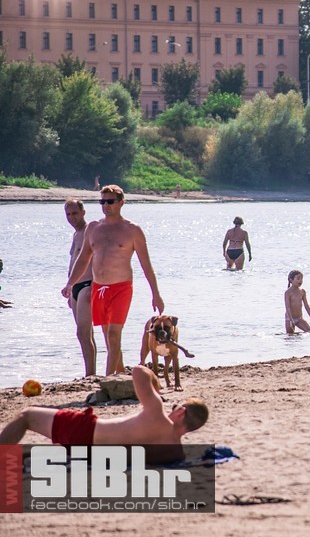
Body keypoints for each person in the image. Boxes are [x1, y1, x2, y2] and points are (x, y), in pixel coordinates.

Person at [0, 365, 208, 464]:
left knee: (27, 415)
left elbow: (138, 371)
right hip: (93, 455)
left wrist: (156, 383)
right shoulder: (177, 453)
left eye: (175, 407)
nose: (171, 409)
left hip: (85, 432)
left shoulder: (157, 413)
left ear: (180, 412)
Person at [61, 185, 165, 376]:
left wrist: (156, 294)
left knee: (114, 334)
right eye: (102, 202)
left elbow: (146, 265)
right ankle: (120, 373)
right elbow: (83, 259)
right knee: (109, 339)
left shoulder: (132, 230)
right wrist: (70, 284)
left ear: (121, 202)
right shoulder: (93, 228)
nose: (106, 206)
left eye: (110, 202)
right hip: (100, 288)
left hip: (121, 287)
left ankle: (108, 381)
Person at [64, 199, 96, 377]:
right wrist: (69, 288)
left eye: (75, 213)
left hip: (87, 284)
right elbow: (73, 262)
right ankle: (90, 372)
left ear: (83, 212)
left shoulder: (90, 230)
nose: (71, 218)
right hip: (74, 287)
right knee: (85, 334)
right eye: (68, 214)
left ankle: (90, 374)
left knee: (83, 332)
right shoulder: (76, 234)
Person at [284, 270, 310, 334]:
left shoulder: (302, 292)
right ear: (291, 280)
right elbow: (287, 307)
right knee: (290, 336)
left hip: (299, 318)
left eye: (302, 279)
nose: (300, 281)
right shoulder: (288, 292)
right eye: (298, 278)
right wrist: (291, 320)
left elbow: (307, 306)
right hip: (289, 318)